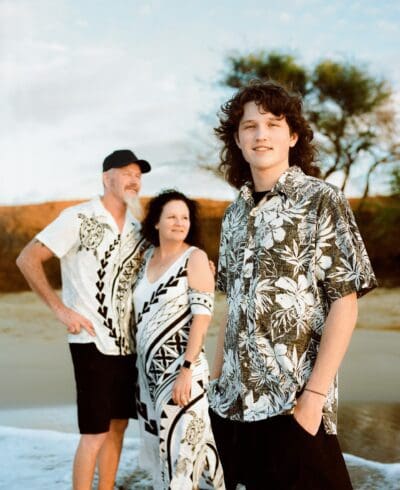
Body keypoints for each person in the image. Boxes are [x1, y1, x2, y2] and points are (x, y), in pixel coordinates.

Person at [208, 80, 378, 490]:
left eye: (273, 124)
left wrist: (314, 398)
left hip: (294, 404)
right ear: (237, 138)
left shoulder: (322, 199)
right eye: (249, 126)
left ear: (293, 135)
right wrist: (211, 390)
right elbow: (233, 309)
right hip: (231, 406)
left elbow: (345, 303)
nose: (260, 134)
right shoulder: (233, 215)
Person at [16, 149, 151, 490]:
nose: (134, 179)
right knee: (94, 432)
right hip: (91, 340)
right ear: (107, 178)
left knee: (119, 426)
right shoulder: (78, 217)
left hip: (129, 343)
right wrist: (60, 309)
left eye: (139, 174)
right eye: (127, 172)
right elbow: (28, 258)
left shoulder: (138, 228)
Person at [132, 189, 225, 490]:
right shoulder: (146, 258)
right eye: (171, 216)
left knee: (182, 463)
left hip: (182, 375)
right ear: (156, 223)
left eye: (184, 217)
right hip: (149, 379)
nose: (179, 222)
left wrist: (186, 369)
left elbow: (202, 316)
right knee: (165, 460)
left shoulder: (195, 257)